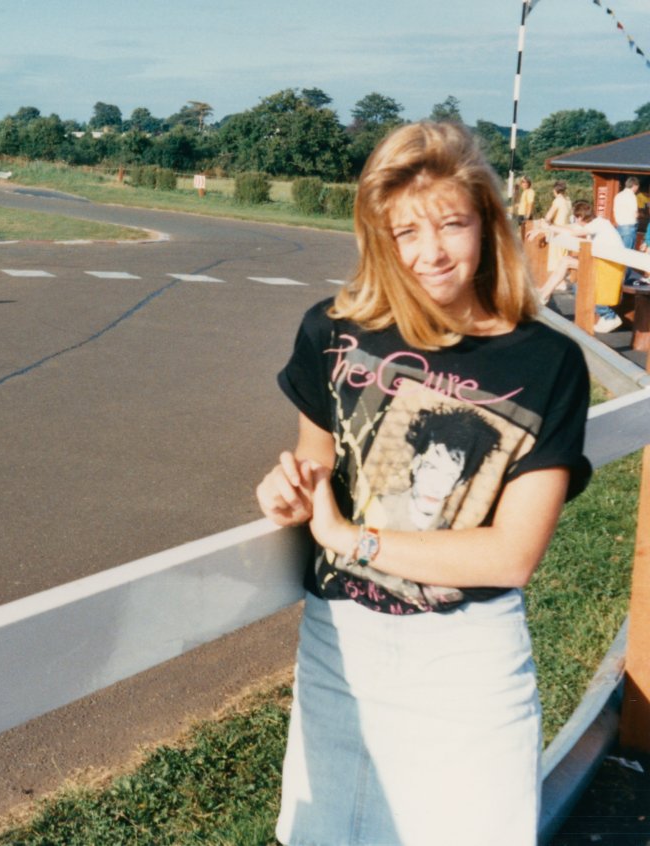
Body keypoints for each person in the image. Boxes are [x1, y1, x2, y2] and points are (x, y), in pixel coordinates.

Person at [255, 121, 591, 845]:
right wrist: (283, 493)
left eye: (450, 224)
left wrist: (352, 538)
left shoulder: (548, 363)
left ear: (488, 222)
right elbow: (313, 470)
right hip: (341, 644)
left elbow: (511, 554)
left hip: (468, 657)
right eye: (405, 232)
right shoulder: (332, 331)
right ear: (380, 238)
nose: (431, 252)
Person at [530, 199, 625, 332]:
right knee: (568, 265)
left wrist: (548, 227)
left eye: (576, 218)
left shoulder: (600, 224)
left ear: (580, 217)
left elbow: (573, 232)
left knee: (569, 265)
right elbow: (571, 228)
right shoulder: (596, 223)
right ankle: (543, 293)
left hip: (609, 267)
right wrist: (544, 228)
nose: (575, 221)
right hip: (604, 263)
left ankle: (609, 317)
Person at [542, 180, 573, 274]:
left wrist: (545, 223)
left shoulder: (557, 201)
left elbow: (548, 217)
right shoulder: (568, 201)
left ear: (555, 190)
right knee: (563, 258)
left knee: (555, 261)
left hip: (557, 232)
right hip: (566, 230)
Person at [614, 176, 640, 250]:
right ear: (635, 186)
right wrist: (639, 215)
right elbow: (635, 214)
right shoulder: (632, 196)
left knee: (619, 251)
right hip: (629, 228)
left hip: (619, 227)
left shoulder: (618, 195)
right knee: (628, 255)